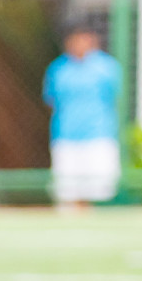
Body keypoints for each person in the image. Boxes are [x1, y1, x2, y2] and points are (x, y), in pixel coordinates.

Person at [43, 25, 122, 207]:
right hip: (66, 134)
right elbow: (51, 100)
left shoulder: (107, 68)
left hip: (99, 133)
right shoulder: (58, 69)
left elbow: (115, 98)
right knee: (68, 190)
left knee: (100, 189)